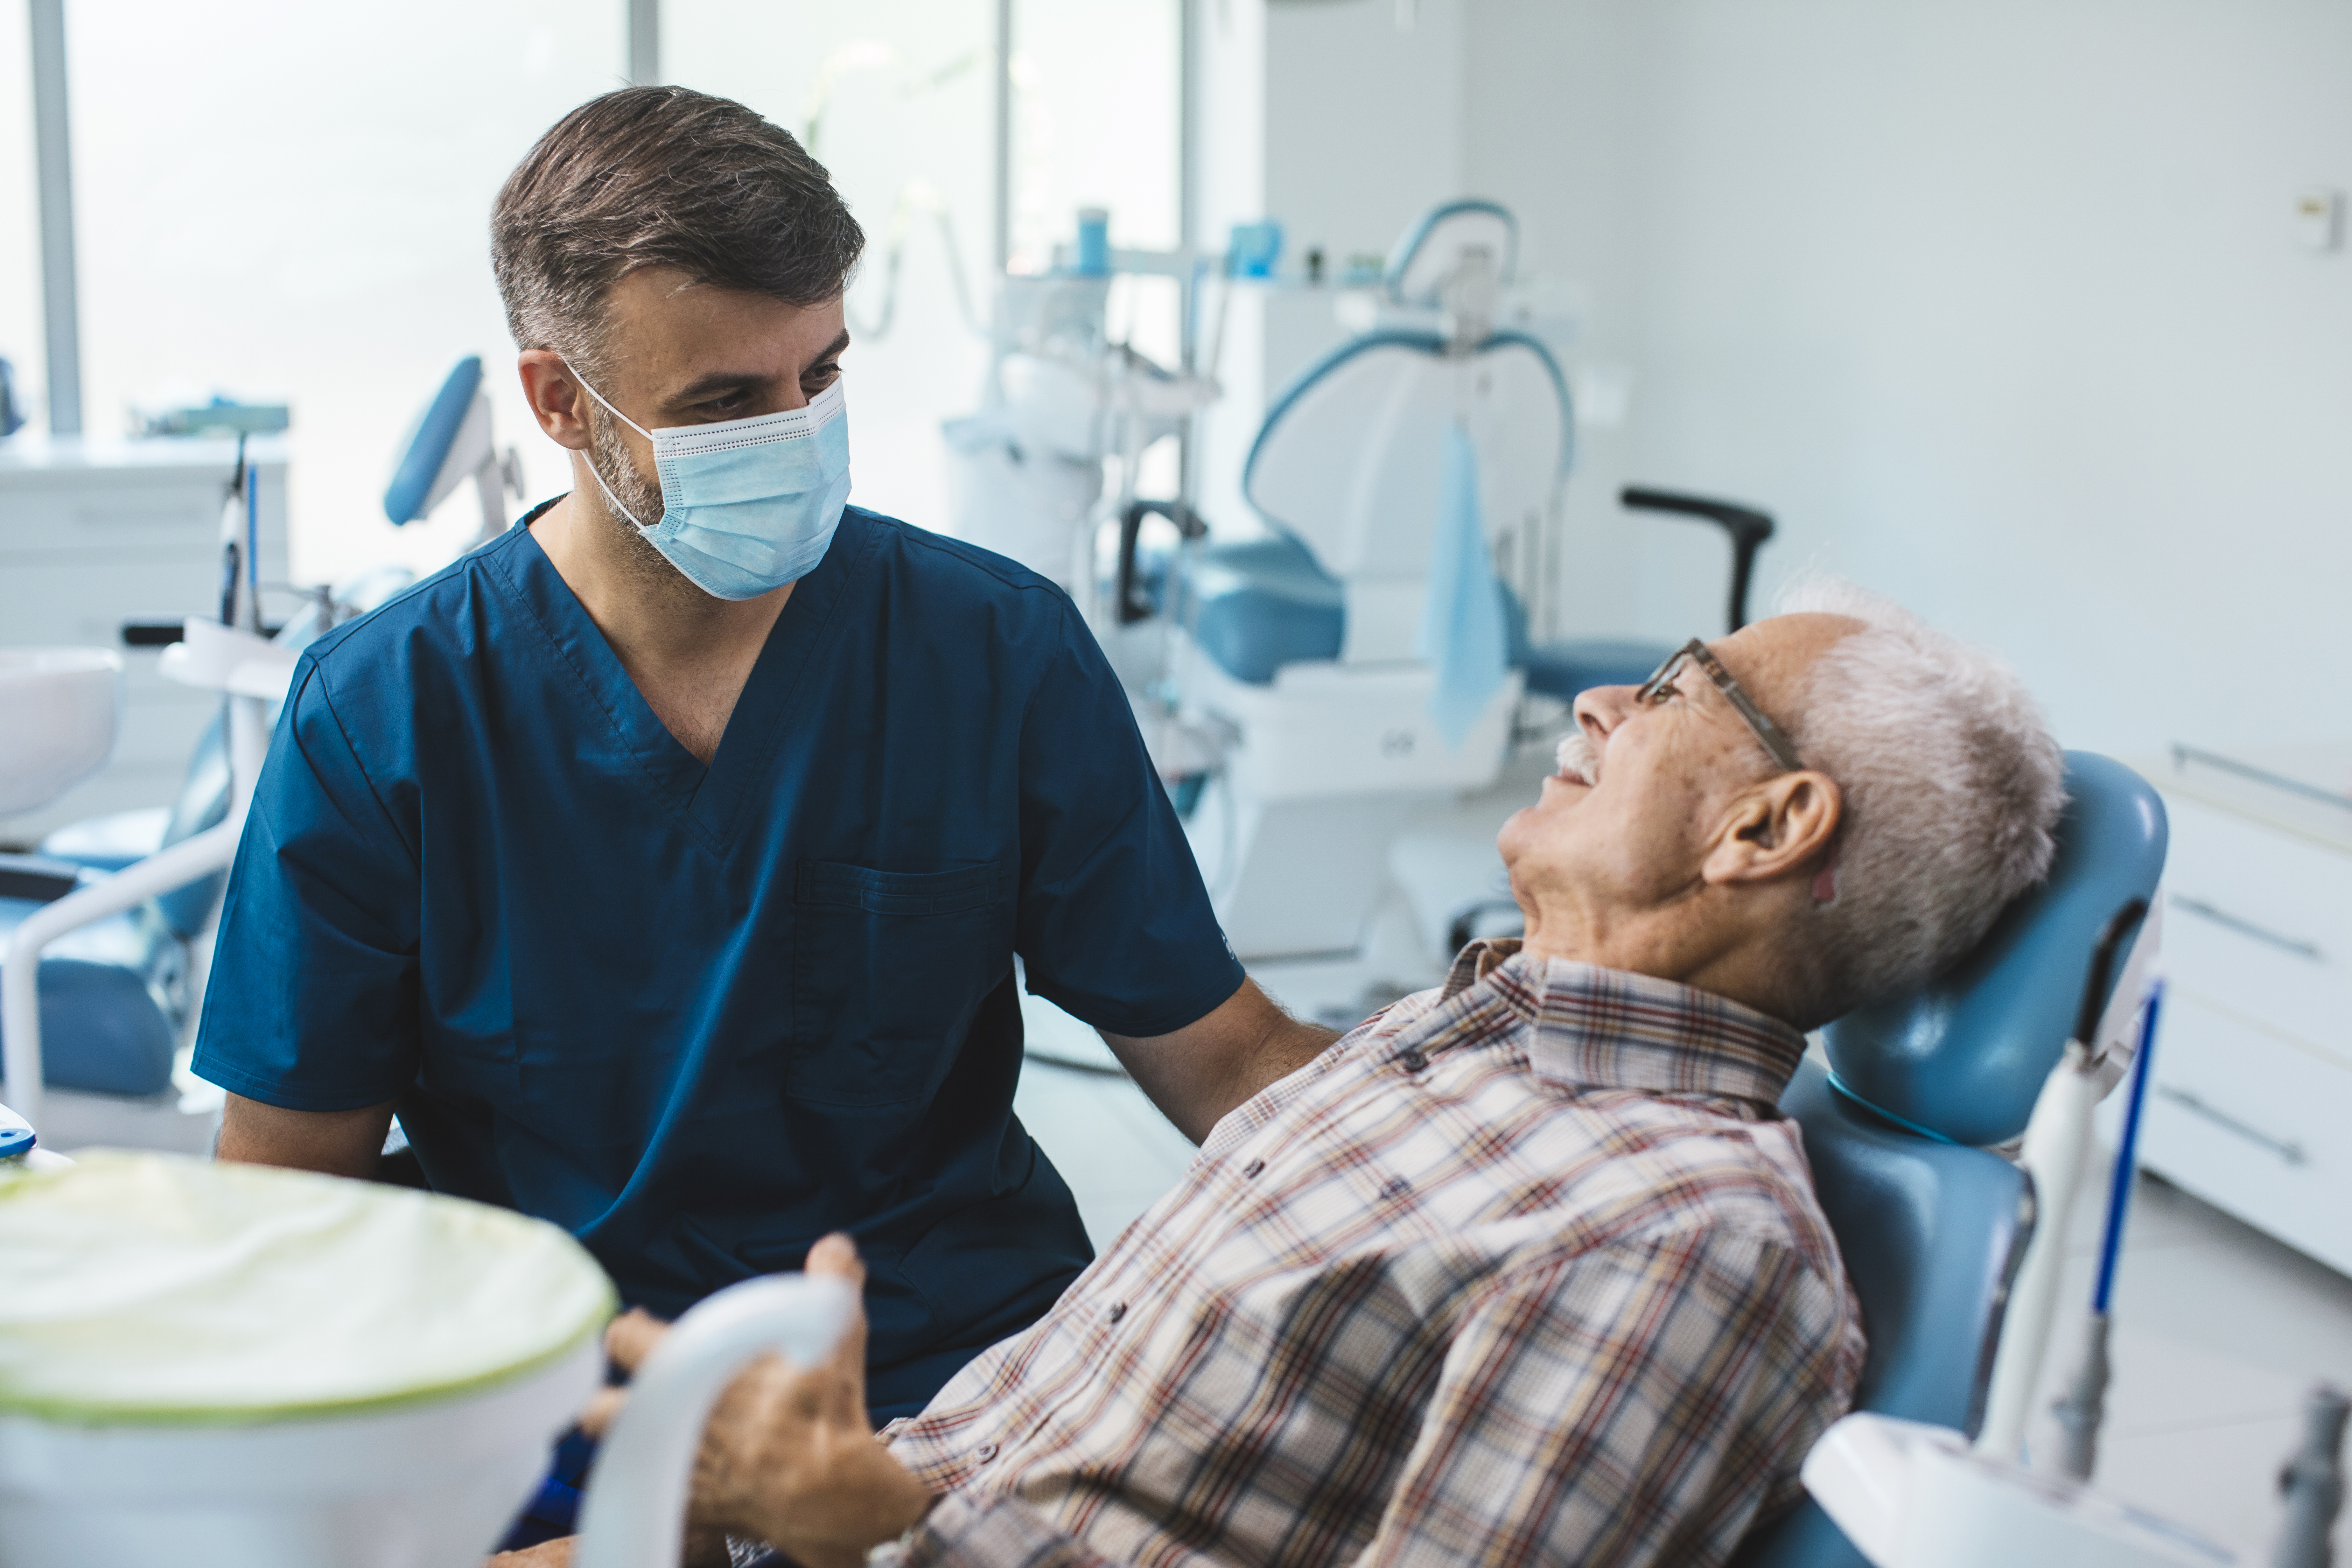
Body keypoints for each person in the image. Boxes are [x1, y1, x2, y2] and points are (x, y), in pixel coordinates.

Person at [191, 82, 1333, 1492]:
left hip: (955, 1378)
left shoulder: (994, 652)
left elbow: (1225, 1057)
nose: (797, 431)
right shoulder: (384, 717)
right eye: (726, 401)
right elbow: (287, 1196)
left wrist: (1482, 1143)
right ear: (560, 400)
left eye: (823, 374)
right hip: (571, 1408)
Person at [496, 580, 2068, 1568]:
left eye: (1668, 690)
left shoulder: (1688, 1244)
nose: (1598, 701)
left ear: (1766, 830)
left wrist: (863, 1529)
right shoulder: (1466, 1040)